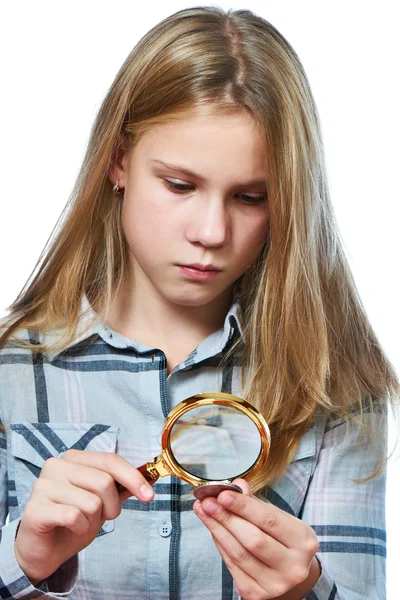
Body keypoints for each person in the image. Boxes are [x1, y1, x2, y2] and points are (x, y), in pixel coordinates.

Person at [0, 6, 398, 600]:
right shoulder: (10, 367)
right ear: (117, 159)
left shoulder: (336, 387)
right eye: (180, 185)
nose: (211, 231)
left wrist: (305, 593)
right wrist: (21, 559)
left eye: (250, 196)